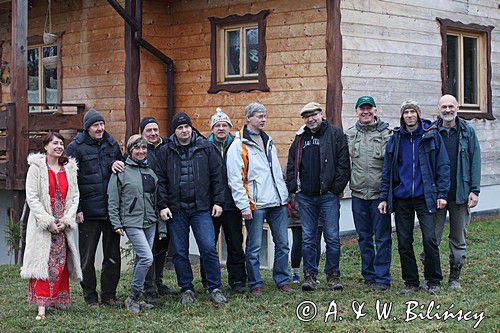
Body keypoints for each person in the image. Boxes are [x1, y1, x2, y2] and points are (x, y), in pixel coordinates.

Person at [378, 100, 450, 295]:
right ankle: (411, 282)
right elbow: (387, 171)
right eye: (406, 112)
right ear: (402, 116)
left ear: (418, 114)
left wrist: (442, 194)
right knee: (404, 242)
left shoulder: (431, 136)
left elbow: (443, 166)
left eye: (412, 112)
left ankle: (433, 280)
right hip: (402, 199)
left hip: (424, 196)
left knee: (429, 239)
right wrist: (384, 197)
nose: (409, 115)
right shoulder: (396, 139)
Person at [156, 112, 228, 305]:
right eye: (180, 128)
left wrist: (219, 202)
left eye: (186, 126)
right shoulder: (165, 151)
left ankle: (215, 287)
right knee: (180, 251)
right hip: (176, 210)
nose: (184, 130)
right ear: (175, 131)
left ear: (191, 127)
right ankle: (186, 288)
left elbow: (218, 177)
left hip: (202, 208)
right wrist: (162, 205)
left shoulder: (206, 147)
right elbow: (160, 180)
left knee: (208, 248)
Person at [227, 102, 291, 297]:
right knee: (254, 247)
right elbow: (235, 178)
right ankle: (255, 283)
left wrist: (284, 195)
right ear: (248, 118)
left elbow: (275, 172)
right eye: (258, 116)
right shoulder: (239, 145)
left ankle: (282, 280)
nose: (263, 119)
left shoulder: (268, 140)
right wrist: (243, 205)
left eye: (264, 116)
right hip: (255, 204)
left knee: (283, 244)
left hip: (277, 202)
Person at [286, 102, 350, 292]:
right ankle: (310, 277)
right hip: (305, 197)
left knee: (331, 237)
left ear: (321, 114)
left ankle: (333, 276)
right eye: (306, 116)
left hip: (328, 197)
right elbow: (291, 163)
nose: (310, 119)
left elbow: (343, 164)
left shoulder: (335, 134)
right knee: (308, 238)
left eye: (313, 114)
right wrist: (293, 187)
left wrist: (335, 189)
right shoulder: (300, 137)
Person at [66, 108, 124, 307]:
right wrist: (78, 208)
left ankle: (109, 295)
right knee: (87, 257)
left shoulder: (112, 144)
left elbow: (121, 169)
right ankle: (90, 296)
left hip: (111, 211)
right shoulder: (75, 147)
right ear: (87, 128)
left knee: (112, 255)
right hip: (88, 212)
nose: (99, 128)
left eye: (101, 124)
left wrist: (118, 163)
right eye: (95, 125)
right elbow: (71, 181)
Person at [421, 95, 481, 289]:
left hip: (460, 194)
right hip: (436, 196)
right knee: (432, 238)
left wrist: (475, 190)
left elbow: (475, 161)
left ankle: (454, 277)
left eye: (451, 106)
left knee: (458, 238)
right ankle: (432, 277)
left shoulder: (467, 132)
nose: (447, 110)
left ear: (457, 108)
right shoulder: (430, 132)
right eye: (444, 107)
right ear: (438, 109)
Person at [21, 132, 82, 320]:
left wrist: (66, 220)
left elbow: (74, 197)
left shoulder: (69, 168)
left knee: (60, 263)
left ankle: (57, 301)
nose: (59, 146)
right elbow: (32, 197)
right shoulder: (37, 168)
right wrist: (48, 222)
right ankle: (41, 307)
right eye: (55, 143)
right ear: (45, 147)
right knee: (43, 262)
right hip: (42, 225)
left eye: (61, 143)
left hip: (63, 225)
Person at [108, 135, 167, 313]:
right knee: (147, 258)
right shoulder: (121, 171)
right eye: (137, 148)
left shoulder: (150, 172)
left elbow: (158, 201)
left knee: (143, 260)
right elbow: (113, 200)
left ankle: (137, 298)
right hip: (132, 222)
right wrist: (116, 223)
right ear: (130, 150)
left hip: (150, 222)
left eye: (143, 148)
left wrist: (161, 227)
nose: (141, 152)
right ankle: (133, 296)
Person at [346, 96, 392, 291]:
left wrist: (387, 194)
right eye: (361, 108)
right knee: (364, 238)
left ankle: (382, 277)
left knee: (382, 237)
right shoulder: (349, 134)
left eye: (369, 108)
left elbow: (392, 166)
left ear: (375, 110)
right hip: (357, 195)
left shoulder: (387, 134)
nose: (365, 112)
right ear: (356, 111)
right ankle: (369, 275)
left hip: (378, 196)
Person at [200, 108, 247, 293]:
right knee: (208, 244)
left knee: (235, 242)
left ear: (229, 128)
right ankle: (208, 281)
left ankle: (237, 281)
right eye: (217, 125)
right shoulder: (203, 147)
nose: (221, 128)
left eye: (224, 125)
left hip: (232, 203)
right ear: (212, 129)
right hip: (210, 204)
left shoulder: (237, 145)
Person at [139, 117, 178, 304]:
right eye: (149, 130)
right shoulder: (139, 150)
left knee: (162, 246)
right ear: (142, 133)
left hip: (169, 204)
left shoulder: (167, 146)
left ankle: (159, 281)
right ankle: (149, 287)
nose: (153, 133)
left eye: (155, 129)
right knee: (150, 248)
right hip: (149, 207)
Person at [288, 193, 323, 284]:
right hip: (297, 210)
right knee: (298, 242)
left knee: (315, 242)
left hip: (318, 211)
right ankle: (295, 273)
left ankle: (313, 273)